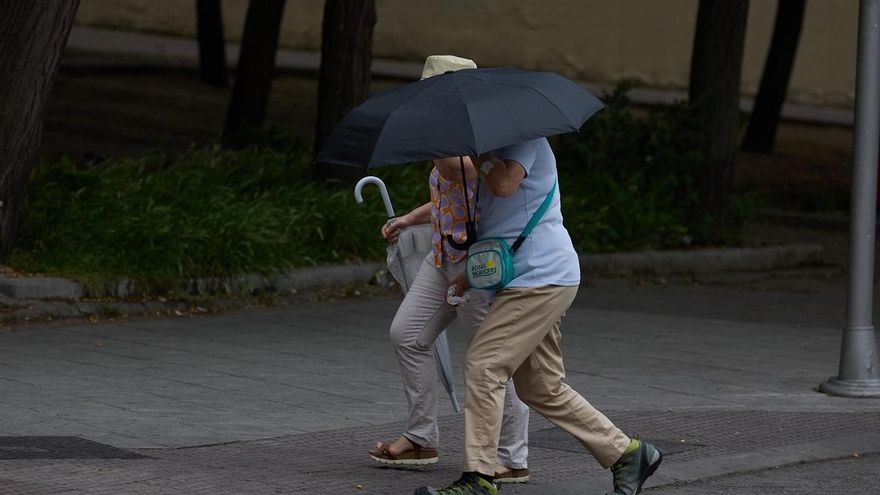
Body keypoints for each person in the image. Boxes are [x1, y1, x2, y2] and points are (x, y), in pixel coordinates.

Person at [416, 137, 663, 495]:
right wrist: (467, 275)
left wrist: (478, 157)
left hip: (539, 277)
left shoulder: (525, 140)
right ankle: (628, 453)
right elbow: (504, 227)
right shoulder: (494, 150)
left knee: (485, 366)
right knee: (540, 386)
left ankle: (478, 478)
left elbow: (504, 184)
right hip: (529, 277)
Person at [368, 55, 531, 484]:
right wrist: (408, 219)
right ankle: (422, 436)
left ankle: (513, 456)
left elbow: (455, 173)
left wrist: (431, 132)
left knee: (491, 360)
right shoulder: (447, 136)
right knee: (407, 334)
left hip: (477, 265)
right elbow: (444, 197)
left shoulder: (476, 141)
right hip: (441, 259)